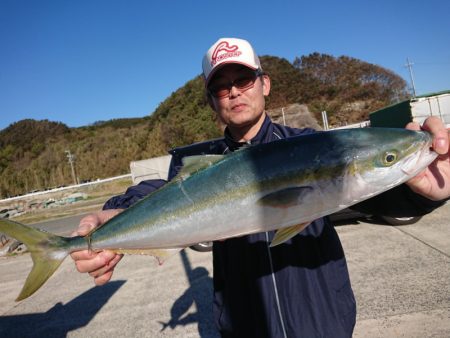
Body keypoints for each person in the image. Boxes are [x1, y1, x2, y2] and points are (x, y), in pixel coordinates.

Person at [71, 38, 450, 337]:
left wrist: (422, 192)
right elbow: (159, 191)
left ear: (264, 83)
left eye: (243, 79)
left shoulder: (313, 146)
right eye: (221, 87)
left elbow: (374, 199)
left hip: (323, 323)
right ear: (210, 102)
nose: (233, 92)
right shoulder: (202, 165)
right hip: (245, 326)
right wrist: (111, 214)